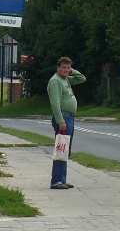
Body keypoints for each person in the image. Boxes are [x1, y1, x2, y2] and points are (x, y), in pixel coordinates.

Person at [48, 56, 85, 190]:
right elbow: (55, 103)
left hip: (70, 117)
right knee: (61, 149)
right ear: (58, 68)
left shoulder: (66, 79)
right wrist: (60, 120)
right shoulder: (55, 81)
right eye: (63, 67)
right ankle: (56, 180)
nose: (66, 70)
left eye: (68, 67)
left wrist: (70, 71)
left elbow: (82, 78)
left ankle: (62, 179)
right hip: (63, 117)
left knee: (65, 149)